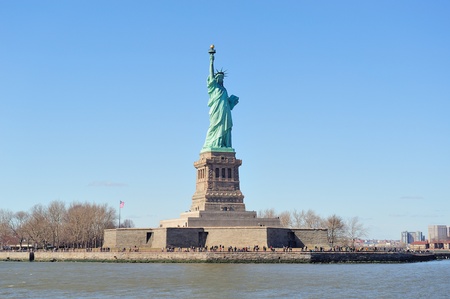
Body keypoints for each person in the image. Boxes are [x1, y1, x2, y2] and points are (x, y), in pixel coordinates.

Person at [202, 46, 239, 150]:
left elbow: (228, 104)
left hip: (225, 111)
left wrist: (232, 102)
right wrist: (211, 60)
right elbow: (211, 74)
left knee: (225, 128)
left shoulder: (224, 89)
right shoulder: (214, 87)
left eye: (222, 78)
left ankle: (223, 145)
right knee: (214, 126)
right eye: (218, 77)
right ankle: (212, 144)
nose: (220, 79)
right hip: (216, 111)